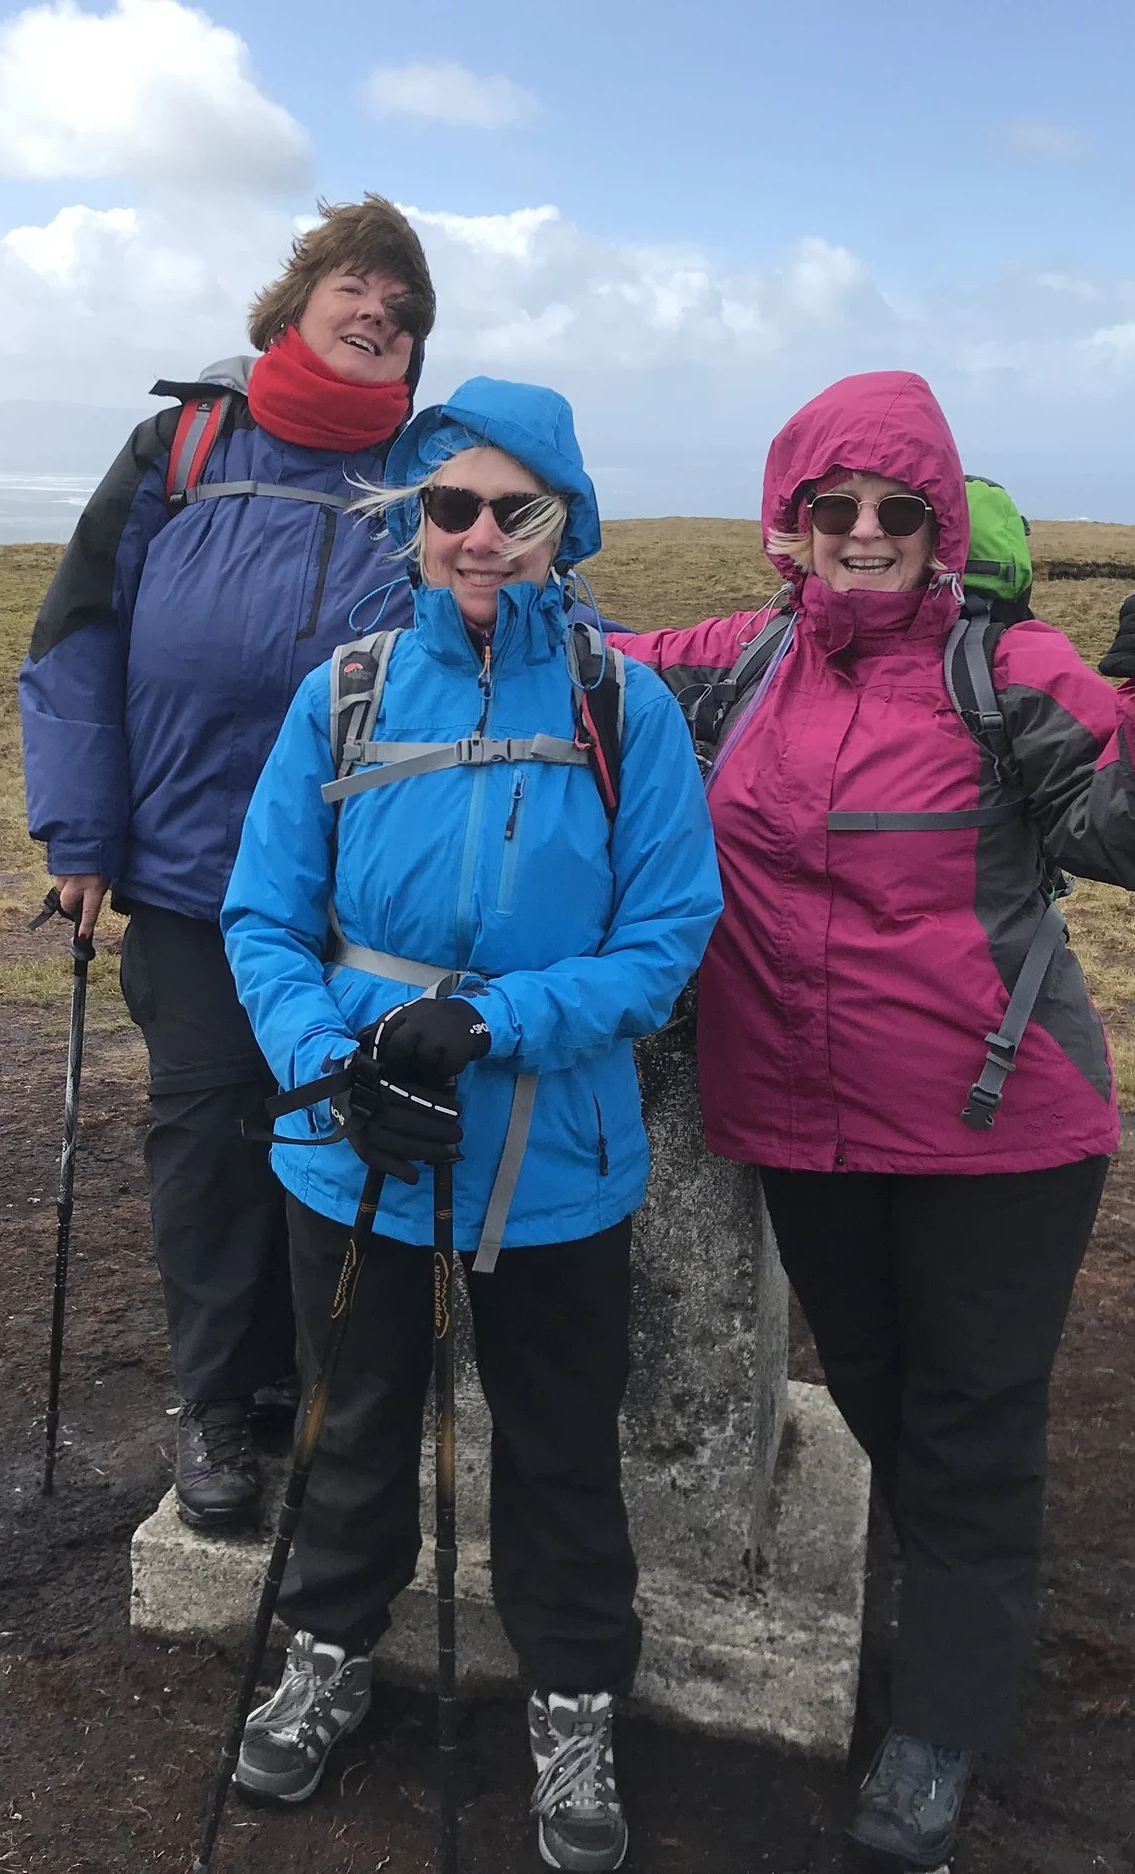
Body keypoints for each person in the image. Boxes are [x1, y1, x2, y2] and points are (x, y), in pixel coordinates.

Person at [621, 371, 1135, 1873]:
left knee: (967, 1422)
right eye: (835, 505)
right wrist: (464, 552)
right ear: (790, 521)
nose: (867, 530)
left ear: (941, 524)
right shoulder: (740, 661)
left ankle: (942, 1722)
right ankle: (970, 1588)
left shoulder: (1008, 666)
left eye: (901, 507)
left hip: (1000, 1134)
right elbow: (588, 661)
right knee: (883, 1395)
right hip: (806, 1128)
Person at [218, 378, 721, 1873]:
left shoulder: (625, 708)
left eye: (516, 509)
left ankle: (574, 1703)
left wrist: (495, 1023)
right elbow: (263, 917)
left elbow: (666, 938)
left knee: (561, 1442)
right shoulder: (345, 692)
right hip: (354, 1141)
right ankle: (328, 1652)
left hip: (554, 1153)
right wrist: (337, 1061)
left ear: (567, 524)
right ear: (414, 518)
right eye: (451, 506)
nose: (481, 535)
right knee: (352, 1412)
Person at [18, 197, 437, 1529]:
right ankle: (217, 1399)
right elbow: (79, 633)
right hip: (192, 871)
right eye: (355, 290)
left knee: (331, 1122)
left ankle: (322, 1389)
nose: (377, 315)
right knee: (208, 1135)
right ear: (293, 308)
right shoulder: (185, 444)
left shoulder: (429, 469)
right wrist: (81, 832)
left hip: (359, 883)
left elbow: (513, 598)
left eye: (403, 309)